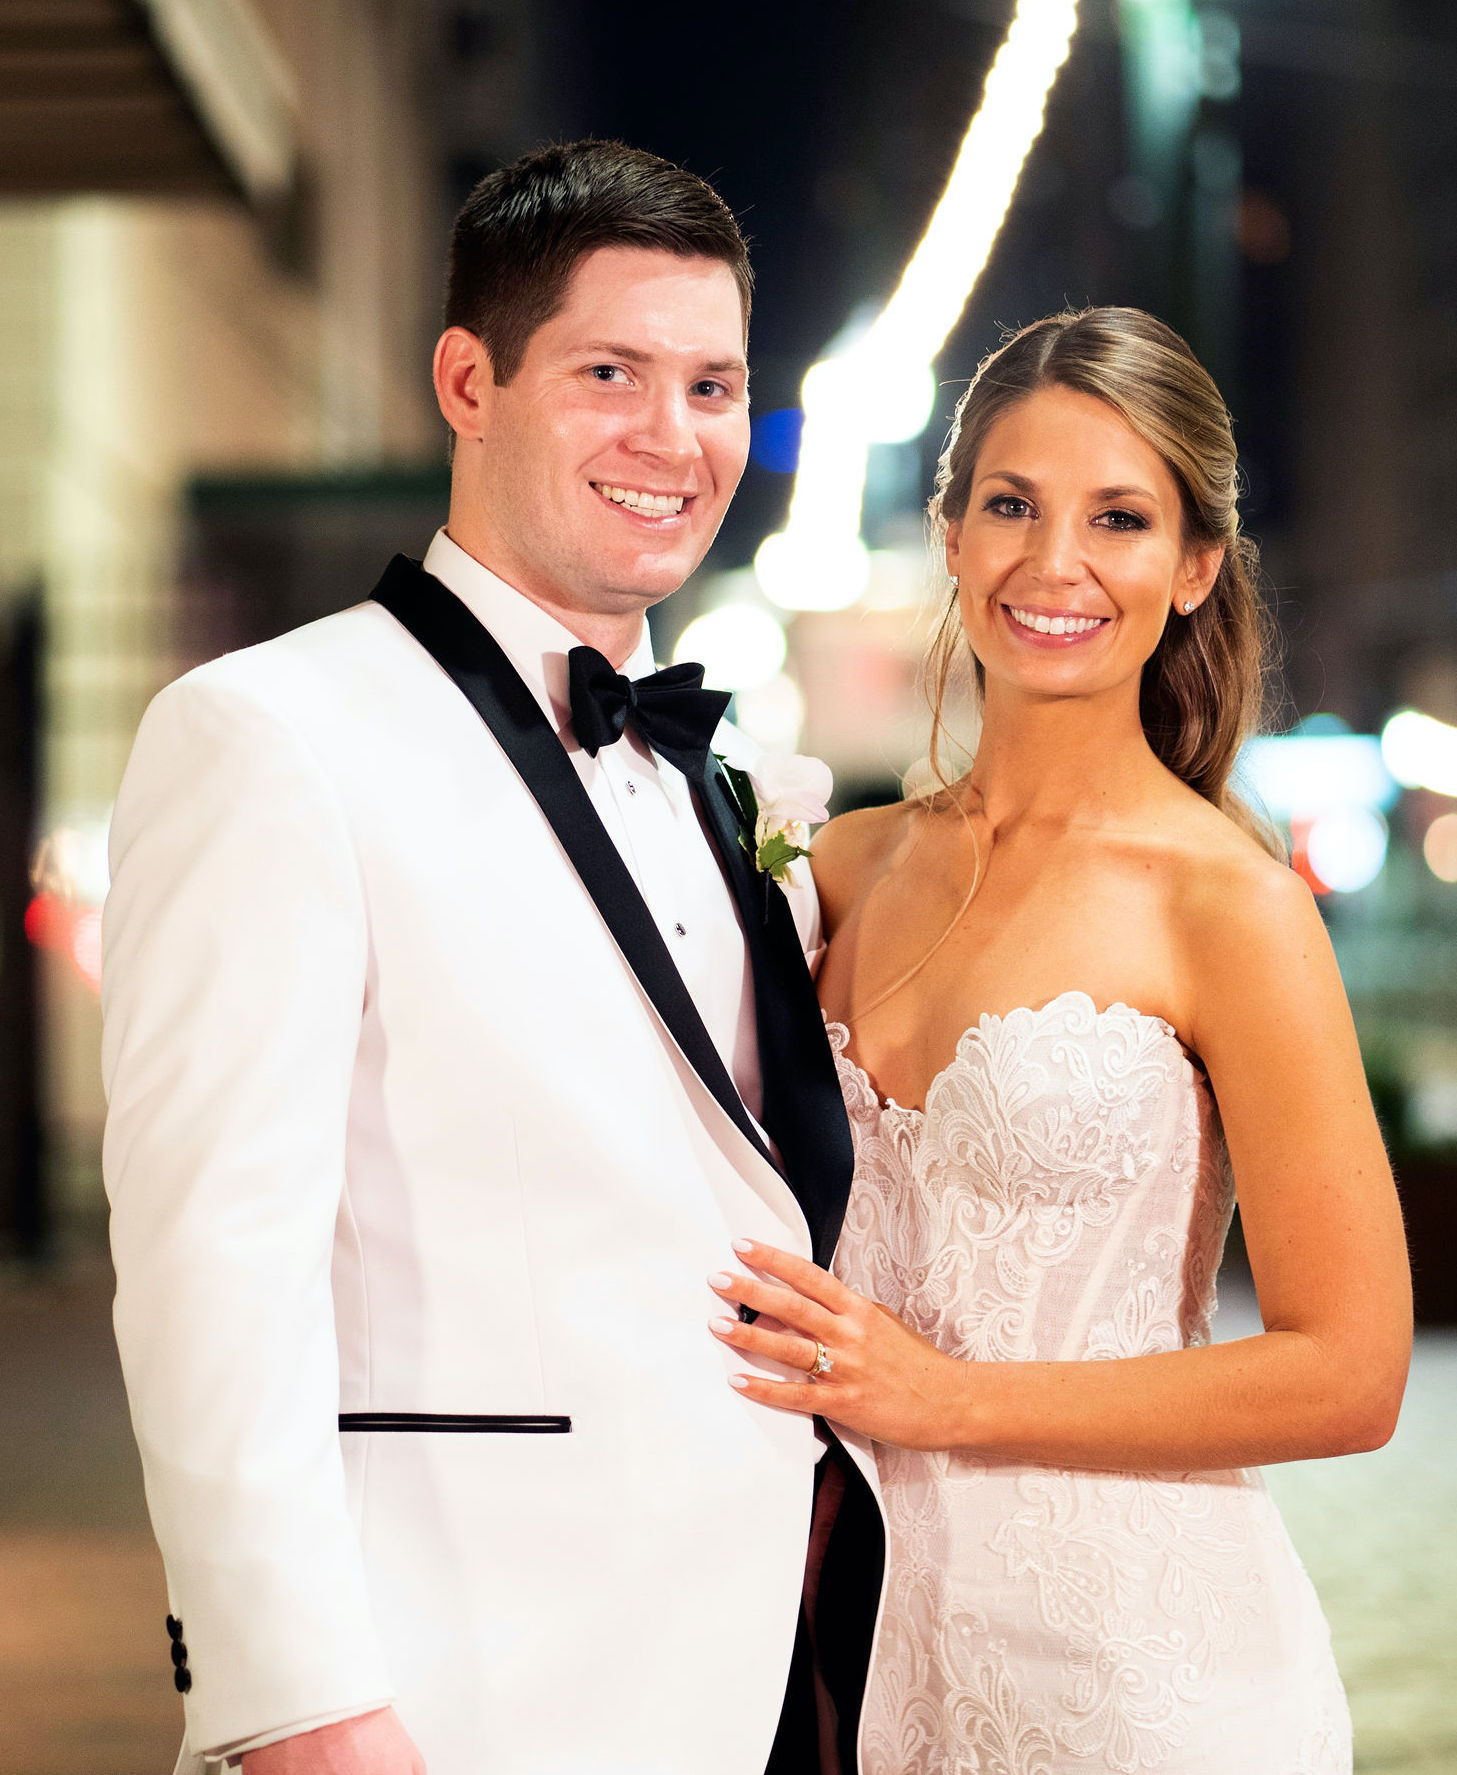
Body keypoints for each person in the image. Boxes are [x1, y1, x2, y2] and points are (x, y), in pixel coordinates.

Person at [102, 139, 880, 1775]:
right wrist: (296, 1703)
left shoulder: (723, 785)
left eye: (714, 385)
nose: (672, 439)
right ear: (469, 379)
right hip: (440, 1684)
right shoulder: (271, 733)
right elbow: (210, 1275)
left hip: (741, 1669)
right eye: (611, 373)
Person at [705, 307, 1412, 1773]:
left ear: (1194, 567)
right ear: (951, 532)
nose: (1054, 564)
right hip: (858, 1657)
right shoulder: (838, 867)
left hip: (1148, 1685)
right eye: (1012, 505)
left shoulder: (1227, 904)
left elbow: (1350, 1372)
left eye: (1120, 519)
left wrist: (941, 1398)